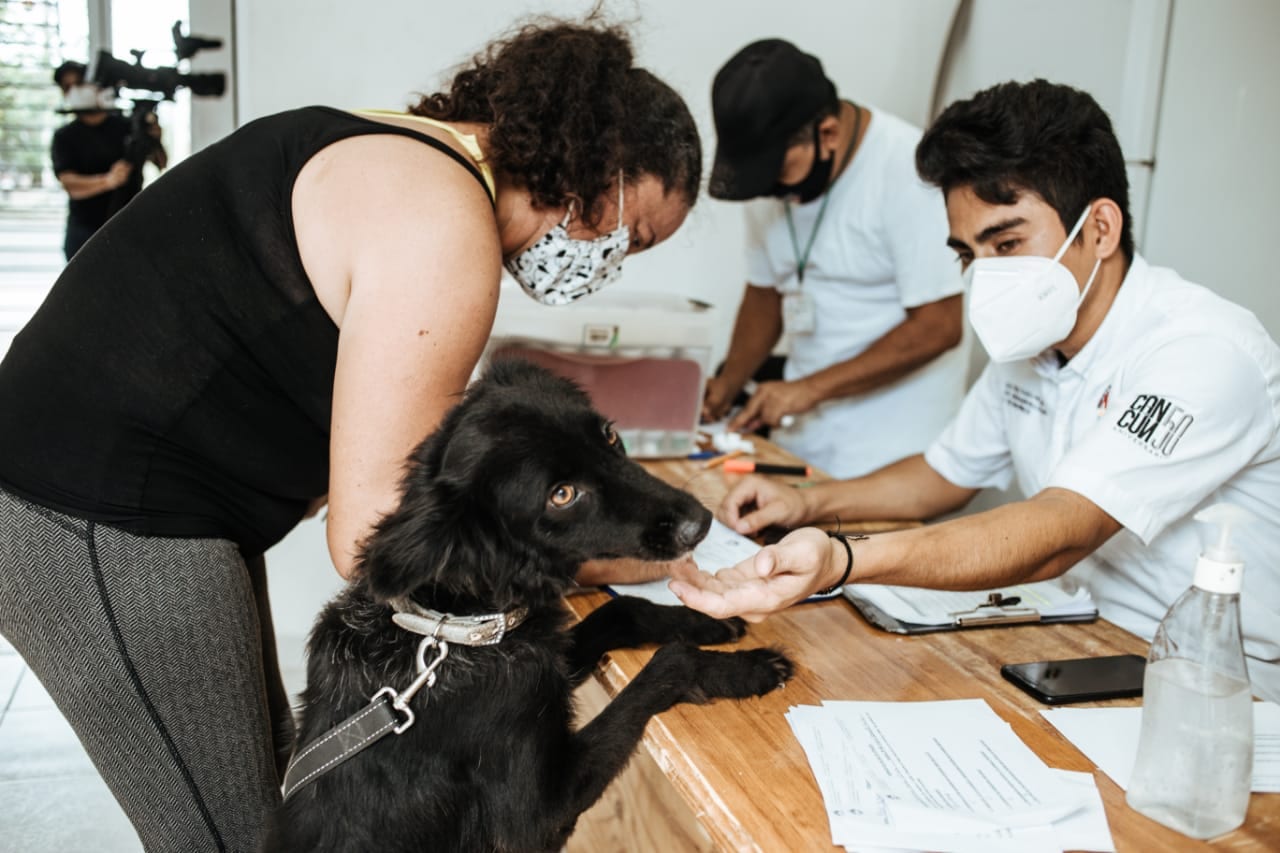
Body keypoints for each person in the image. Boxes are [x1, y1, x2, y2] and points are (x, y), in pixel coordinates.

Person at [0, 17, 702, 851]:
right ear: (595, 169)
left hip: (143, 502)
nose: (612, 261)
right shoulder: (444, 226)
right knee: (230, 839)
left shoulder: (406, 155)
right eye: (632, 235)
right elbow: (378, 536)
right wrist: (656, 557)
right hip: (90, 509)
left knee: (285, 799)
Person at [670, 79, 1280, 704]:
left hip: (1219, 684)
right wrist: (807, 502)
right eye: (968, 254)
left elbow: (1058, 532)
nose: (987, 276)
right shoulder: (1038, 343)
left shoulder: (1204, 350)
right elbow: (943, 475)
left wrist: (842, 557)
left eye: (1008, 243)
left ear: (1100, 228)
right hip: (1079, 639)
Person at [701, 38, 967, 478]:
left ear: (828, 133)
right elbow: (766, 295)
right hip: (803, 440)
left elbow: (939, 325)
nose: (772, 191)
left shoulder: (910, 170)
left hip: (894, 454)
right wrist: (728, 384)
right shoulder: (768, 176)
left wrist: (809, 389)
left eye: (777, 174)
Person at [50, 62, 167, 259]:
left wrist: (155, 138)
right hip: (85, 230)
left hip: (129, 225)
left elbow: (161, 163)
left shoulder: (128, 126)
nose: (73, 91)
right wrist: (107, 181)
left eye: (78, 83)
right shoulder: (65, 136)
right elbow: (70, 184)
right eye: (66, 87)